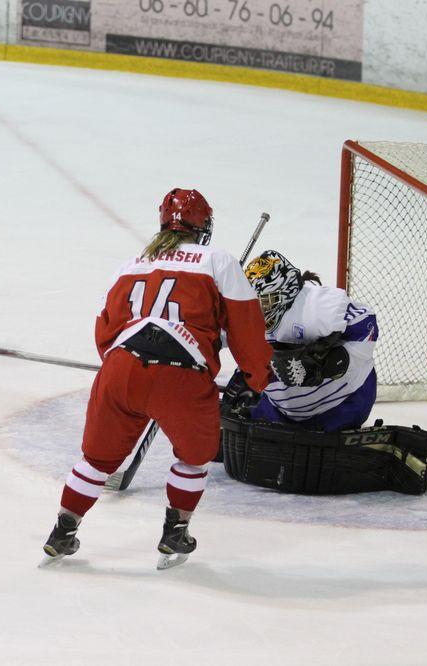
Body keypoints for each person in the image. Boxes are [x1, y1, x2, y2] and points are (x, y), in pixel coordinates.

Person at [42, 188, 273, 568]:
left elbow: (106, 330)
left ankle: (62, 532)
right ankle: (174, 533)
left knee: (95, 461)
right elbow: (247, 327)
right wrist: (256, 379)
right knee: (193, 460)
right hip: (182, 377)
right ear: (204, 226)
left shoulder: (133, 262)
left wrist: (125, 371)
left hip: (120, 369)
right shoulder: (217, 260)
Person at [224, 249, 378, 432]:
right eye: (251, 302)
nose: (256, 312)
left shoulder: (316, 307)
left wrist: (333, 362)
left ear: (287, 292)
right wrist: (245, 377)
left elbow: (367, 324)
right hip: (278, 411)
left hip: (340, 406)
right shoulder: (242, 314)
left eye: (264, 302)